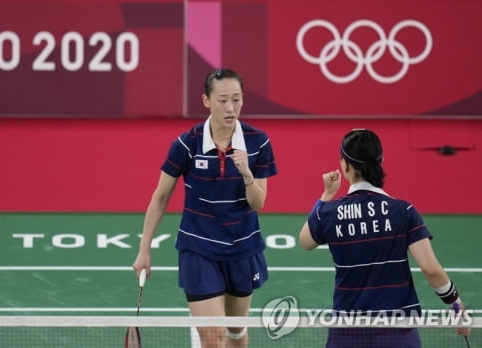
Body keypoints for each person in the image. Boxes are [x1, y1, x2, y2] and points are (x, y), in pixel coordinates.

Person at [132, 68, 277, 347]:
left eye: (236, 99)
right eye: (222, 100)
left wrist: (247, 173)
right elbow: (160, 197)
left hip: (242, 248)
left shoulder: (258, 142)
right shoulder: (187, 144)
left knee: (236, 333)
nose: (230, 107)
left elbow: (258, 203)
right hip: (199, 249)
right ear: (206, 101)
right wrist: (144, 249)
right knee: (212, 337)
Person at [298, 129, 471, 347]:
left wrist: (327, 194)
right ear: (382, 161)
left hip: (347, 329)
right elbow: (431, 270)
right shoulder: (403, 211)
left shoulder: (330, 213)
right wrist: (456, 304)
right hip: (397, 330)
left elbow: (305, 241)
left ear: (345, 165)